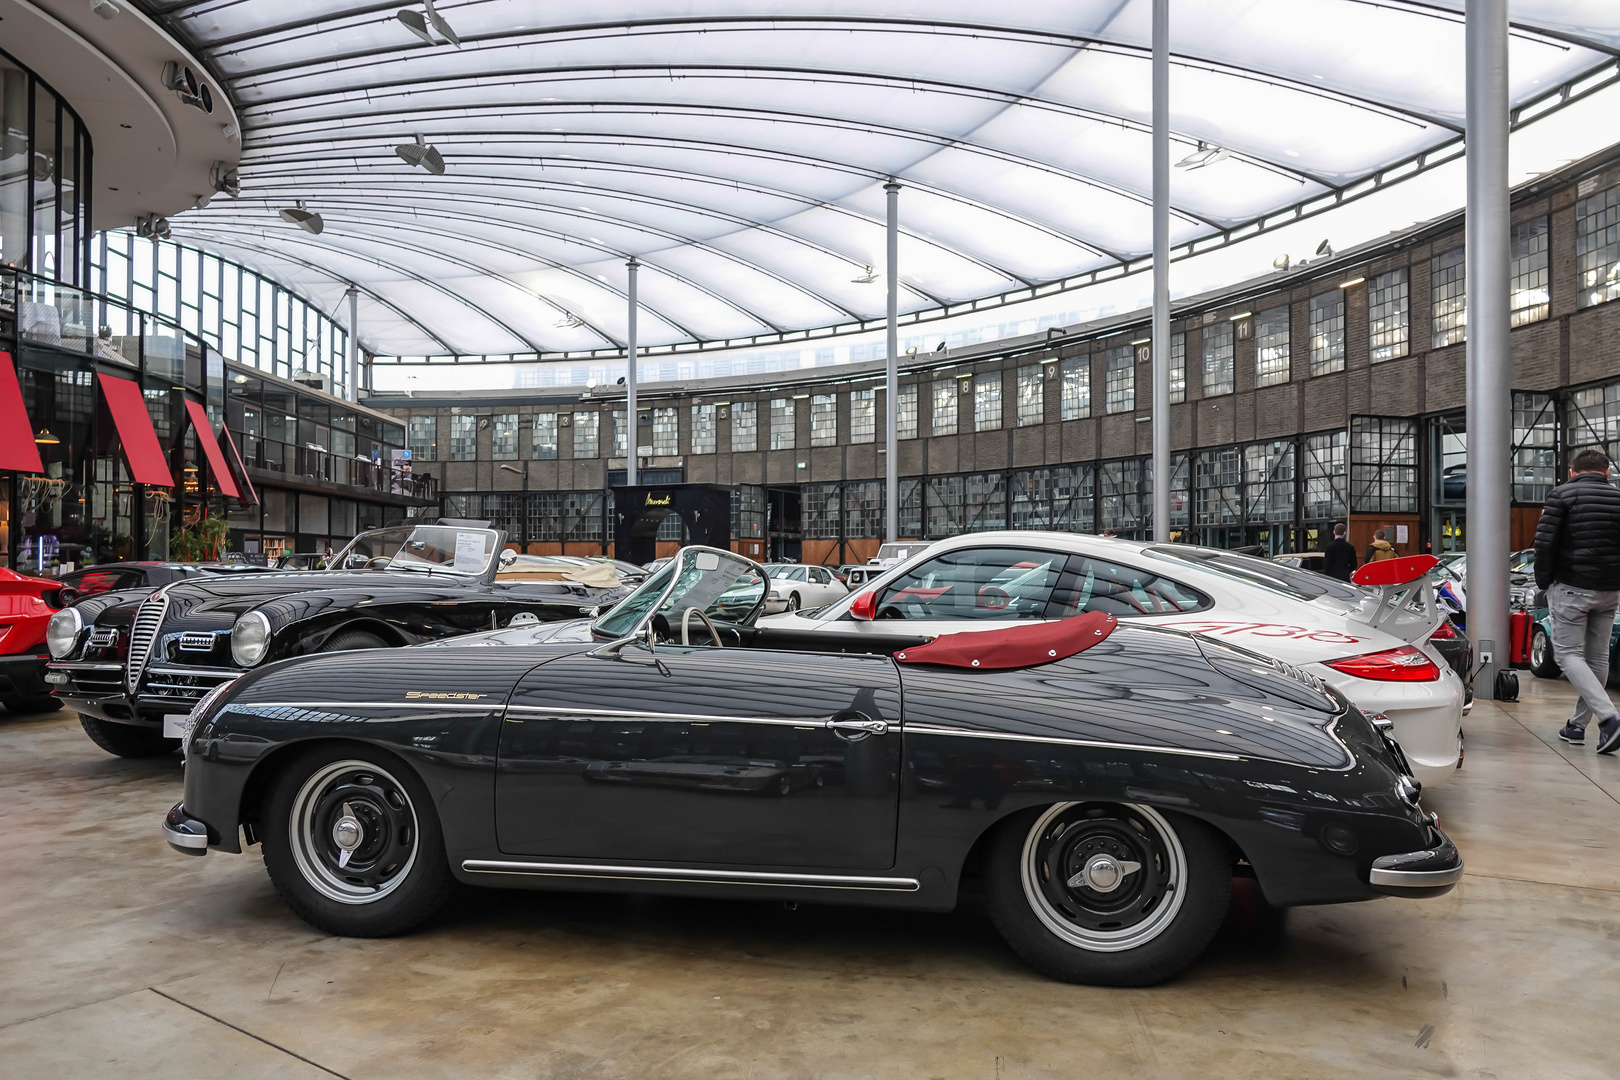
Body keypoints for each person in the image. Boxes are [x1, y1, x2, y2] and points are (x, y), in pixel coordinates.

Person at [1533, 448, 1620, 753]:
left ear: (1572, 472)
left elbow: (1545, 544)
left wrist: (1544, 581)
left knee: (1567, 655)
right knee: (1597, 660)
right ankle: (1577, 726)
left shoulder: (1561, 495)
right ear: (1606, 472)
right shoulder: (1618, 497)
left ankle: (1609, 718)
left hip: (1572, 586)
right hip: (1610, 590)